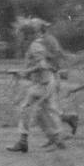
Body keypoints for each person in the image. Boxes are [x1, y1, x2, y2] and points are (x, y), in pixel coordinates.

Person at [7, 19, 66, 153]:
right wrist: (24, 73)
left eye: (21, 34)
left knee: (29, 109)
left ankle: (25, 141)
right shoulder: (36, 45)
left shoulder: (35, 46)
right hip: (45, 82)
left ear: (27, 35)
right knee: (43, 113)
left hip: (43, 83)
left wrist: (25, 72)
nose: (19, 37)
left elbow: (42, 65)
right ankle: (56, 141)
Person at [36, 19, 79, 136]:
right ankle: (68, 120)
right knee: (48, 106)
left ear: (39, 31)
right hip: (51, 75)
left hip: (52, 75)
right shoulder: (49, 40)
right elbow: (59, 54)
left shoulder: (47, 40)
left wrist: (45, 57)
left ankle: (58, 134)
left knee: (48, 107)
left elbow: (55, 55)